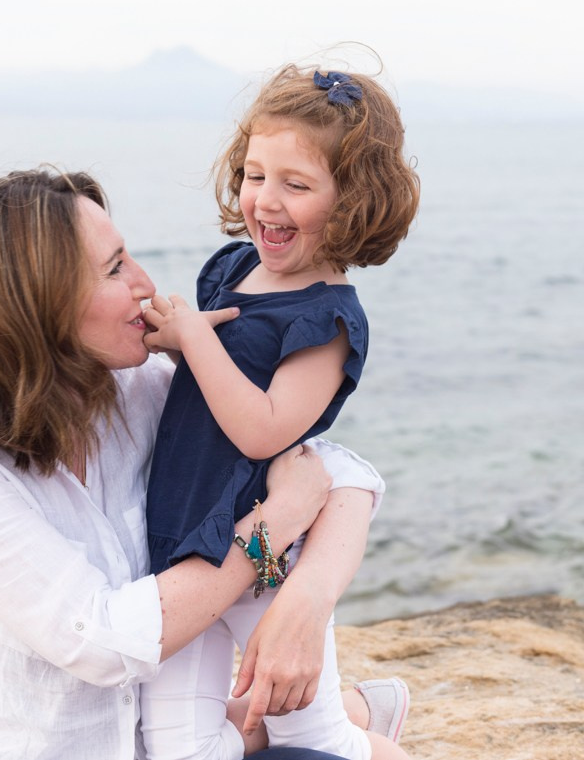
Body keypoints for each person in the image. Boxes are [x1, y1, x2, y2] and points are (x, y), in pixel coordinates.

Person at [0, 168, 402, 760]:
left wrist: (306, 601)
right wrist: (274, 524)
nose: (146, 283)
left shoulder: (142, 390)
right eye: (114, 269)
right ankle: (355, 714)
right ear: (33, 306)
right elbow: (105, 642)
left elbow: (338, 474)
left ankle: (346, 720)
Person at [139, 59, 421, 760]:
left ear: (352, 201)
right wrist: (175, 344)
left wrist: (195, 338)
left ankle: (374, 739)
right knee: (177, 744)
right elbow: (210, 387)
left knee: (311, 734)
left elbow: (263, 426)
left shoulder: (324, 320)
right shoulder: (231, 268)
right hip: (180, 535)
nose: (266, 199)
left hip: (266, 550)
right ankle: (364, 709)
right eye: (255, 174)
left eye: (296, 184)